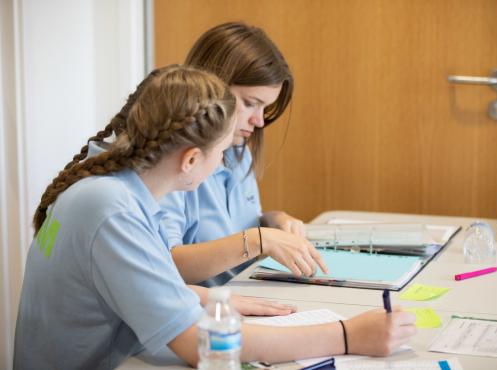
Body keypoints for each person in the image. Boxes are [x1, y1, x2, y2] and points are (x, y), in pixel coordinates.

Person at [14, 65, 416, 370]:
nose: (225, 161)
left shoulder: (111, 191)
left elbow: (139, 281)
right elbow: (195, 343)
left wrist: (219, 300)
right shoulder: (112, 210)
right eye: (222, 153)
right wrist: (347, 336)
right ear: (190, 160)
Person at [163, 21, 323, 286]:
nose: (259, 122)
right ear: (211, 87)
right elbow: (164, 266)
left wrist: (274, 220)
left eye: (265, 109)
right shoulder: (171, 163)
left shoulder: (238, 152)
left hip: (247, 294)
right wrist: (259, 240)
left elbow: (235, 228)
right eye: (250, 104)